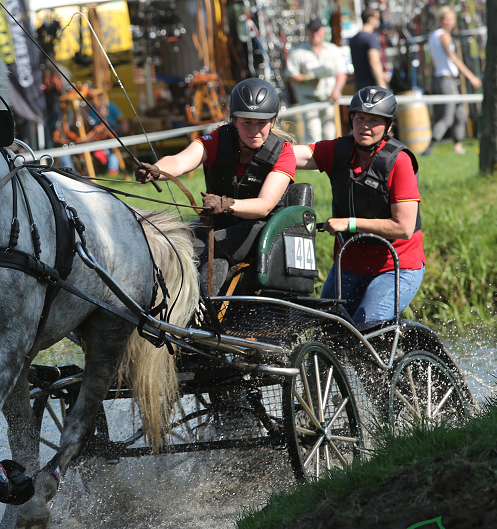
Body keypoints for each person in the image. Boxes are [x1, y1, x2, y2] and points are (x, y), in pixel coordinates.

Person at [136, 78, 295, 294]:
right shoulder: (217, 139)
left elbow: (265, 205)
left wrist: (227, 204)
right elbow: (180, 161)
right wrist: (156, 169)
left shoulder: (284, 152)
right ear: (234, 120)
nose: (254, 130)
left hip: (261, 229)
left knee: (212, 246)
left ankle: (206, 313)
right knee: (166, 240)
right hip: (218, 223)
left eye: (262, 122)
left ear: (273, 121)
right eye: (247, 122)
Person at [292, 87, 425, 324]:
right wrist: (256, 142)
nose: (365, 125)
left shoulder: (399, 161)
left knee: (366, 324)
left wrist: (349, 223)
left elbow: (404, 227)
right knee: (326, 329)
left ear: (389, 127)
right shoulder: (338, 151)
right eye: (359, 118)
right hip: (350, 263)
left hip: (396, 266)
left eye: (374, 120)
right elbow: (292, 156)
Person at [422, 6, 482, 156]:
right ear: (441, 20)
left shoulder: (432, 36)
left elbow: (430, 62)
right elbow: (453, 58)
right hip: (446, 80)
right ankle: (428, 148)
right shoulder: (444, 36)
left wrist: (429, 81)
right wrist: (471, 77)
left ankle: (457, 147)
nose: (450, 22)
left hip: (440, 79)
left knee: (460, 114)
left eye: (452, 19)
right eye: (447, 19)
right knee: (447, 118)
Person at [285, 17, 347, 143]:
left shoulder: (332, 49)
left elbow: (342, 72)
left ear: (323, 32)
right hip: (309, 100)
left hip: (328, 99)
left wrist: (338, 89)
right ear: (308, 32)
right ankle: (315, 162)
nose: (315, 34)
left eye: (317, 30)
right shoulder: (298, 52)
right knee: (314, 137)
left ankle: (329, 162)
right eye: (312, 31)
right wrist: (308, 79)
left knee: (330, 136)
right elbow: (289, 74)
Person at [349, 8, 388, 90]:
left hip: (359, 84)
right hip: (372, 86)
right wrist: (382, 84)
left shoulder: (354, 39)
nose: (379, 21)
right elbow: (374, 62)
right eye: (377, 18)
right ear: (370, 19)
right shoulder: (371, 38)